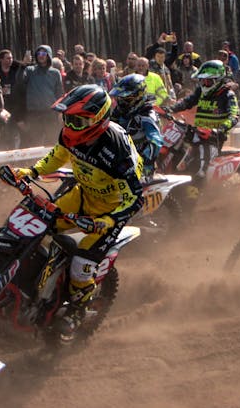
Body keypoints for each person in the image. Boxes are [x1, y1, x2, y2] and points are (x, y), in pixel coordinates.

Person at [9, 85, 143, 338]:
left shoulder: (118, 152)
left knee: (82, 264)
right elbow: (58, 155)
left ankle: (77, 311)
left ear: (98, 119)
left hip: (110, 212)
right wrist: (32, 171)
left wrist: (107, 221)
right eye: (67, 119)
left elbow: (135, 199)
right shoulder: (70, 135)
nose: (70, 126)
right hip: (83, 195)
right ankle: (33, 284)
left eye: (77, 121)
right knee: (38, 223)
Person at [167, 60, 239, 197]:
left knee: (200, 169)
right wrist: (170, 109)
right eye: (203, 81)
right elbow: (187, 102)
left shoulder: (227, 95)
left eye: (208, 81)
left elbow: (234, 116)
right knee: (178, 160)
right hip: (196, 133)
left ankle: (194, 201)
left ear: (217, 80)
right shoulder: (201, 91)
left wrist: (219, 129)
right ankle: (177, 192)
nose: (204, 84)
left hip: (213, 138)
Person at [109, 74, 163, 182]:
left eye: (126, 99)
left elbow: (156, 141)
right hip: (118, 161)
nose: (122, 102)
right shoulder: (119, 113)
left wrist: (144, 161)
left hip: (141, 166)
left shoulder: (147, 116)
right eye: (120, 98)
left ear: (139, 96)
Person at [10, 45, 63, 148]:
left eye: (43, 53)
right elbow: (19, 81)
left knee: (52, 142)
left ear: (48, 55)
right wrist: (23, 65)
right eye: (38, 53)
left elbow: (60, 94)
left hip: (50, 113)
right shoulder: (30, 70)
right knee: (35, 143)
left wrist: (60, 112)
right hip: (34, 114)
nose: (40, 56)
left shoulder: (55, 73)